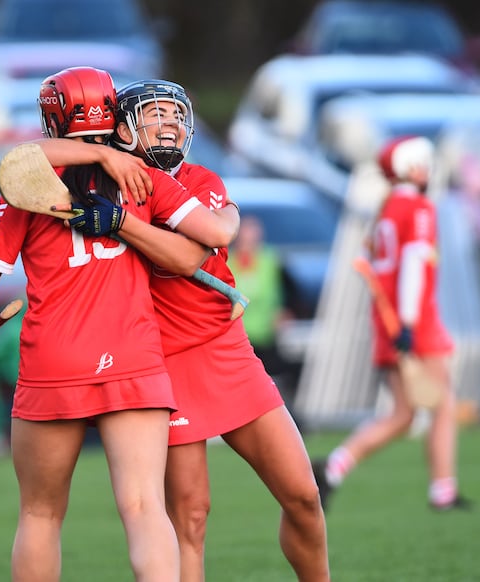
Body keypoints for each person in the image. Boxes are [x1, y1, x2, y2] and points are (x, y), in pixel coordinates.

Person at [0, 66, 239, 582]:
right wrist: (110, 156)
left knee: (40, 514)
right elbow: (215, 233)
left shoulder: (25, 186)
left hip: (54, 362)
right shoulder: (144, 177)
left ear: (53, 115)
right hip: (133, 358)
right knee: (144, 507)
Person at [110, 79, 330, 581]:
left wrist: (120, 223)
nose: (169, 123)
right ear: (124, 129)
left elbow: (193, 253)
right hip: (165, 364)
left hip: (227, 351)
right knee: (190, 516)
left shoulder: (199, 178)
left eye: (175, 115)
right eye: (155, 114)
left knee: (302, 494)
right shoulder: (114, 189)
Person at [312, 135, 470, 512]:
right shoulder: (416, 207)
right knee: (443, 406)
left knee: (402, 414)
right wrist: (410, 323)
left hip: (387, 322)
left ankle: (333, 467)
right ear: (409, 167)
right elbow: (413, 265)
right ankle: (443, 491)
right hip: (411, 322)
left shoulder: (386, 209)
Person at [227, 214, 297, 396]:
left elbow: (293, 289)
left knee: (271, 383)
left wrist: (286, 312)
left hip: (267, 335)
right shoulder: (228, 261)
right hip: (238, 335)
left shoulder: (270, 260)